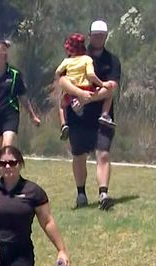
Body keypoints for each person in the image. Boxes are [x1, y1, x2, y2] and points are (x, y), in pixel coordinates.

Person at [60, 20, 121, 210]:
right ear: (90, 35)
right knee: (79, 155)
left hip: (102, 116)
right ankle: (81, 193)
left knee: (103, 153)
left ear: (106, 36)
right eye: (95, 35)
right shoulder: (77, 56)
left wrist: (88, 98)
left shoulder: (112, 61)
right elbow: (62, 81)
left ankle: (103, 193)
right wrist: (79, 95)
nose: (98, 38)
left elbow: (112, 89)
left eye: (102, 35)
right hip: (77, 115)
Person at [56, 32, 117, 140]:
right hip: (86, 88)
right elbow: (91, 75)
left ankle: (63, 124)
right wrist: (102, 84)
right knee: (109, 93)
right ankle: (104, 115)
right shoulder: (87, 59)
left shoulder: (67, 61)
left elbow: (58, 73)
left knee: (61, 104)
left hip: (71, 92)